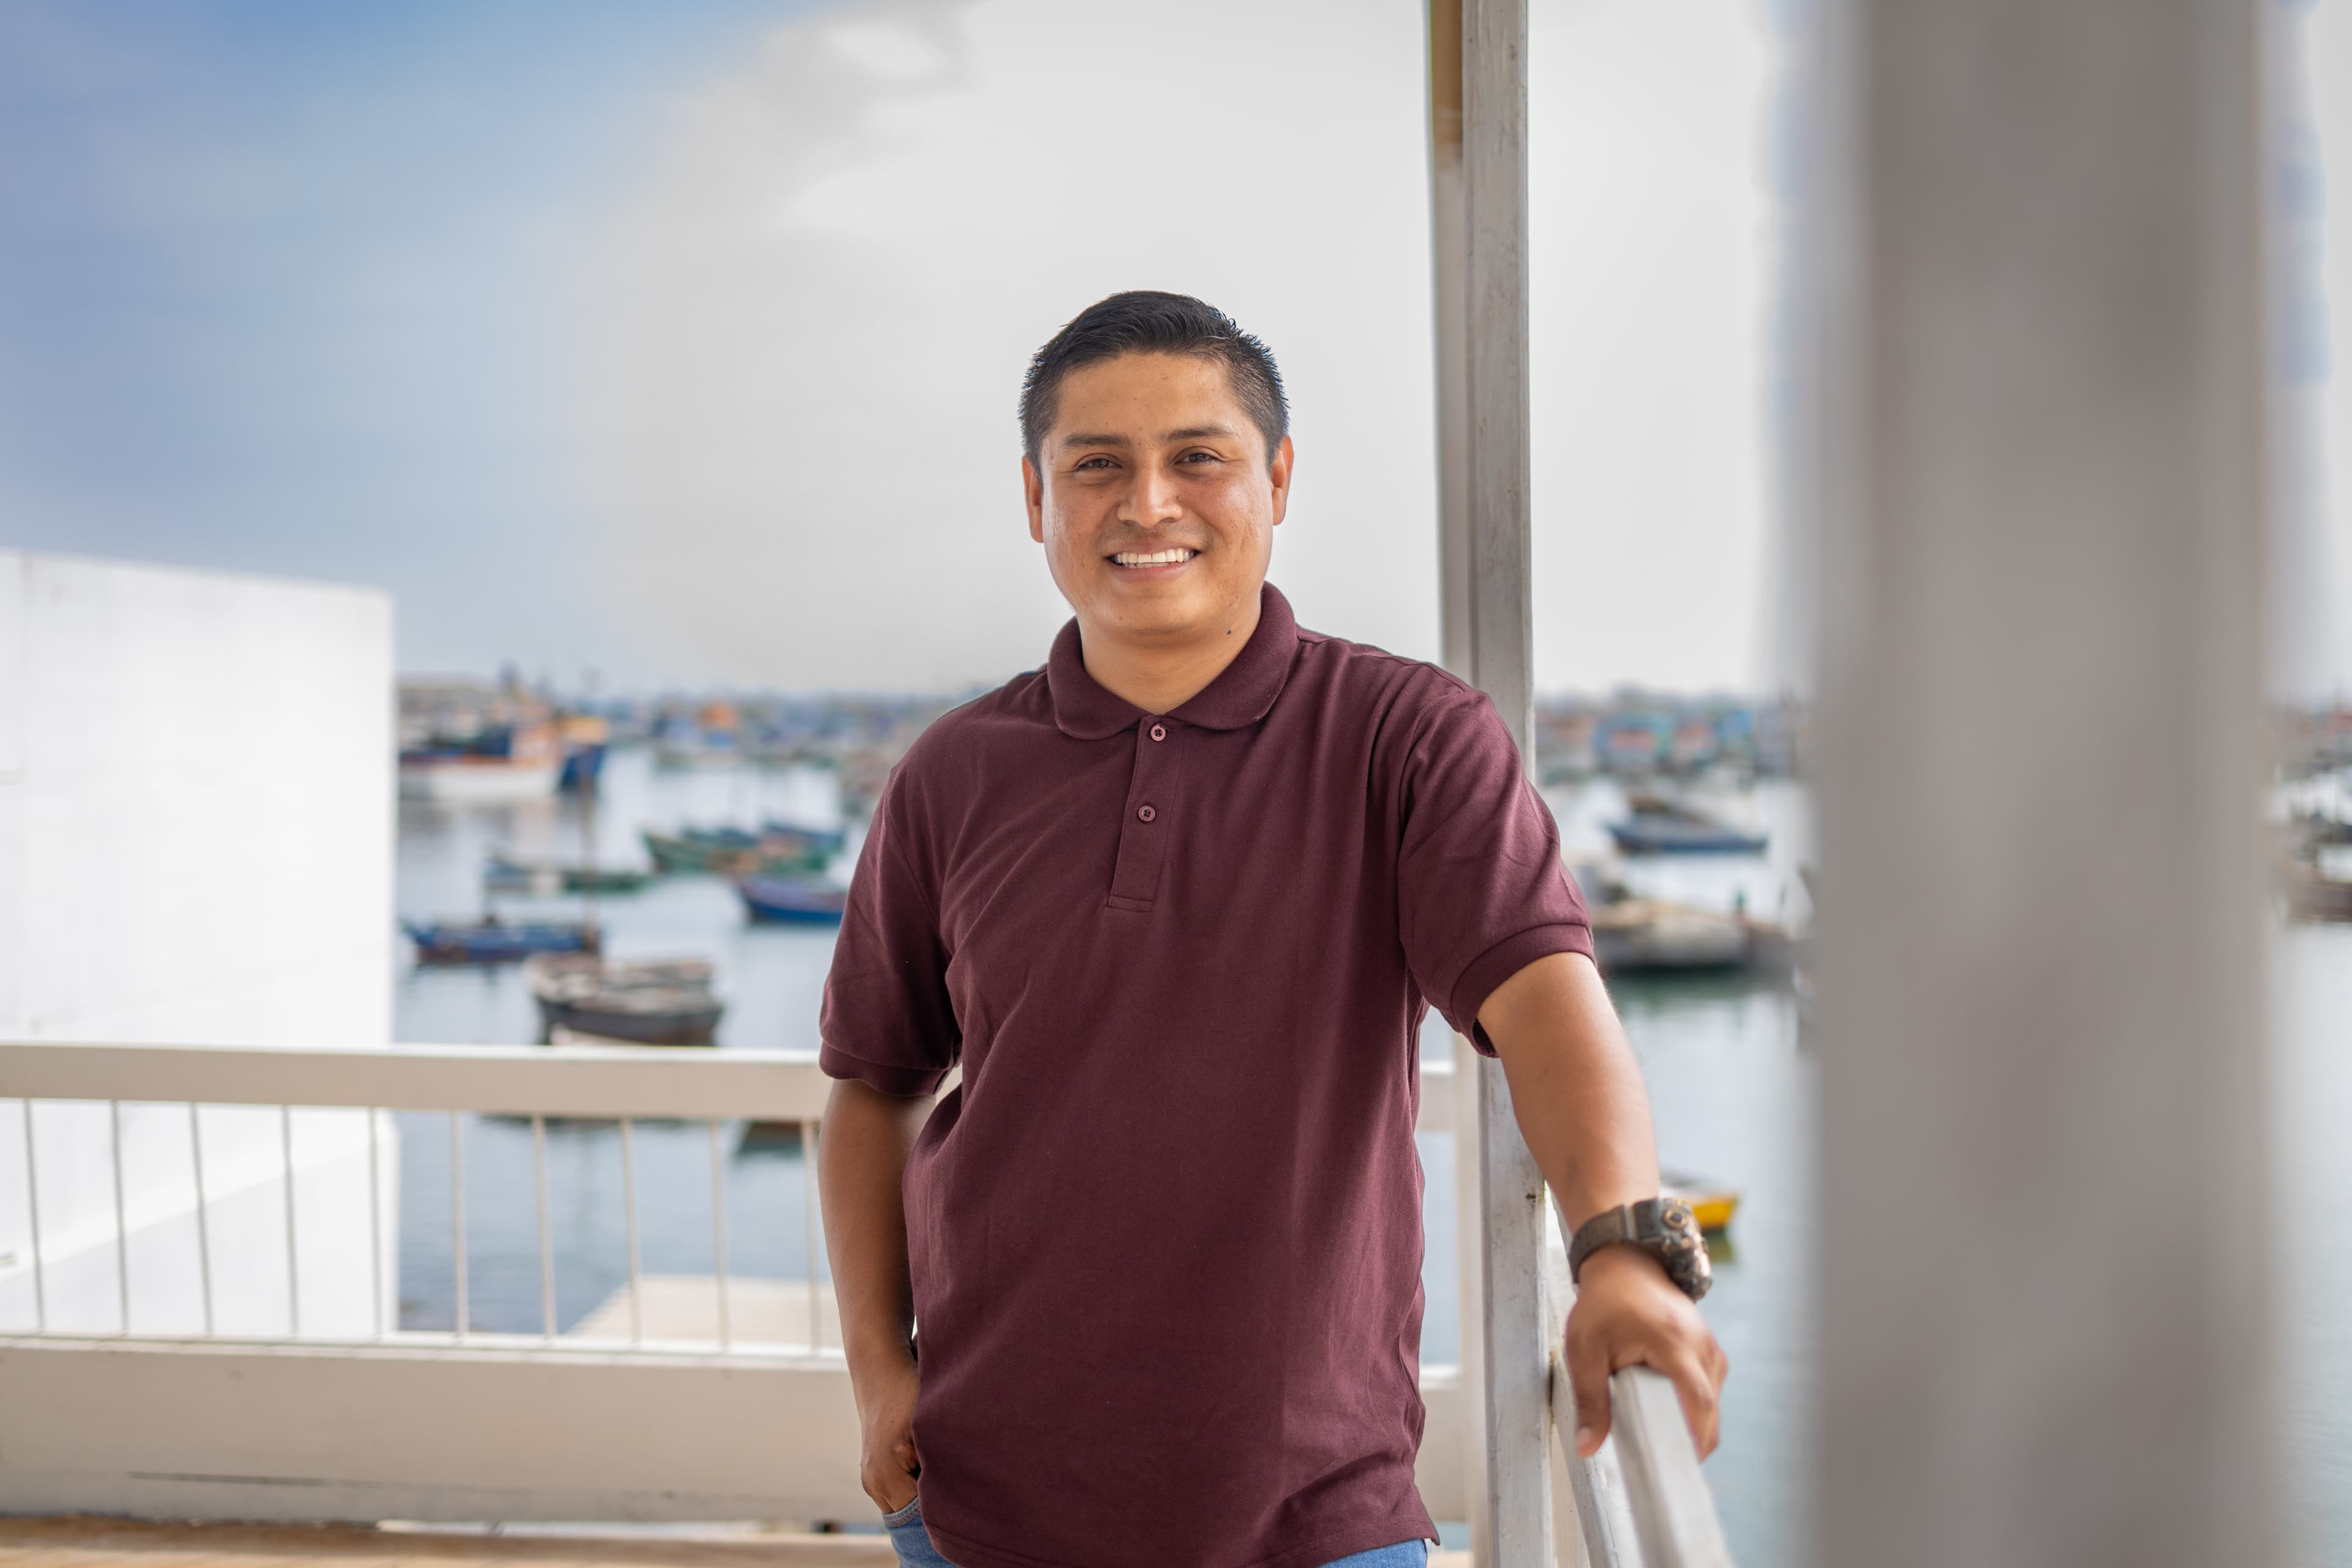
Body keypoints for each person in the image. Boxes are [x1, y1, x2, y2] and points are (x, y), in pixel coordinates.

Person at [817, 291, 1727, 1568]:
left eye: (1198, 456)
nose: (1147, 503)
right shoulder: (954, 771)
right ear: (1036, 501)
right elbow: (872, 1086)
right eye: (1096, 466)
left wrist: (1623, 1253)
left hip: (1312, 1513)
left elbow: (1547, 1000)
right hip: (983, 1505)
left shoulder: (1408, 737)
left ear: (1278, 478)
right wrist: (879, 1369)